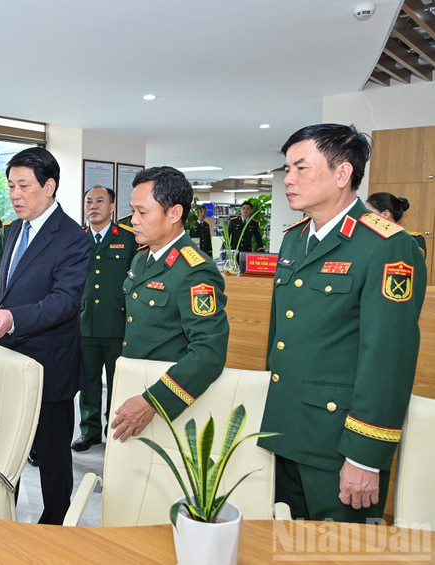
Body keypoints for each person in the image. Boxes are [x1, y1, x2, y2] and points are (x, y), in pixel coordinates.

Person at [259, 124, 427, 523]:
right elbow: (281, 340)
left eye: (301, 168)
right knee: (287, 546)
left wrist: (364, 457)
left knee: (339, 553)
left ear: (342, 173)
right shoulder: (296, 239)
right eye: (287, 169)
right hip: (286, 432)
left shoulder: (387, 246)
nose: (289, 179)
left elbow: (388, 359)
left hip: (339, 445)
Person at [0, 147, 90, 525]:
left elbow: (65, 301)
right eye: (11, 185)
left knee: (52, 450)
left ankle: (56, 520)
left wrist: (14, 318)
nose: (14, 194)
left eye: (23, 185)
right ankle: (2, 511)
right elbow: (8, 289)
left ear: (49, 186)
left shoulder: (73, 237)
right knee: (10, 441)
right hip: (11, 359)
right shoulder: (11, 229)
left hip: (50, 362)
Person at [110, 167, 229, 441]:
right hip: (133, 389)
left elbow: (208, 352)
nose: (133, 220)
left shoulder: (195, 271)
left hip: (164, 403)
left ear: (174, 214)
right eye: (132, 211)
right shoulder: (142, 258)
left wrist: (154, 401)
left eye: (142, 212)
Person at [73, 185, 137, 452]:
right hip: (84, 322)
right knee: (87, 382)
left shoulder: (129, 238)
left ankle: (115, 428)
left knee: (116, 382)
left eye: (100, 201)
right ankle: (89, 431)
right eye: (89, 201)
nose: (93, 206)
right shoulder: (75, 238)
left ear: (112, 207)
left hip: (116, 323)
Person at [366, 192, 427, 259]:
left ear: (385, 214)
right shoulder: (366, 237)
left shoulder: (413, 239)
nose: (365, 216)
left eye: (369, 213)